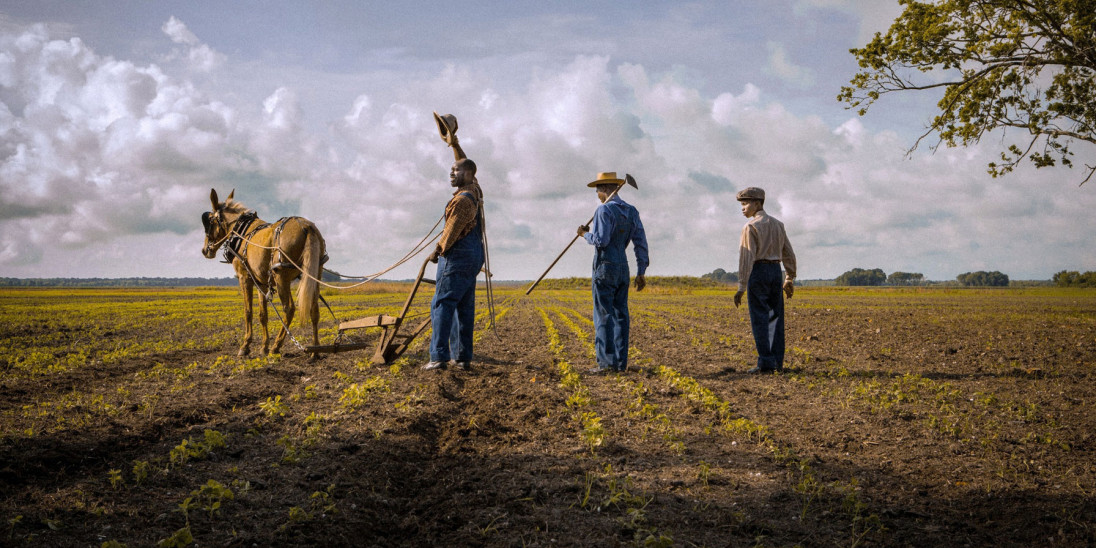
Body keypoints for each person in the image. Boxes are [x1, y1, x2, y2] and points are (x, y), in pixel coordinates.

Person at [423, 114, 484, 372]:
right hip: (473, 255)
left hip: (457, 255)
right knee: (464, 306)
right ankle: (462, 357)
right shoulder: (476, 190)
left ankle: (438, 357)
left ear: (468, 174)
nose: (452, 171)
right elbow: (464, 162)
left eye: (456, 170)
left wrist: (436, 252)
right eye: (452, 169)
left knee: (442, 303)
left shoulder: (461, 201)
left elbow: (449, 233)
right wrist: (453, 143)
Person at [577, 172, 649, 374]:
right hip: (623, 268)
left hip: (605, 267)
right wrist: (641, 270)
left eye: (598, 190)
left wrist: (585, 235)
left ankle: (606, 364)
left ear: (606, 189)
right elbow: (640, 242)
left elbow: (601, 241)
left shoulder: (603, 210)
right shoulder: (631, 211)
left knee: (603, 315)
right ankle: (620, 363)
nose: (598, 194)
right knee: (620, 315)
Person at [733, 187, 796, 374]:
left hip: (758, 271)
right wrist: (789, 277)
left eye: (745, 204)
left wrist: (741, 286)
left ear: (758, 204)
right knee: (775, 317)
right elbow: (788, 253)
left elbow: (747, 257)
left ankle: (766, 364)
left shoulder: (750, 227)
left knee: (760, 318)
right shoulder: (778, 225)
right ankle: (777, 362)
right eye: (742, 204)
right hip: (776, 271)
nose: (743, 208)